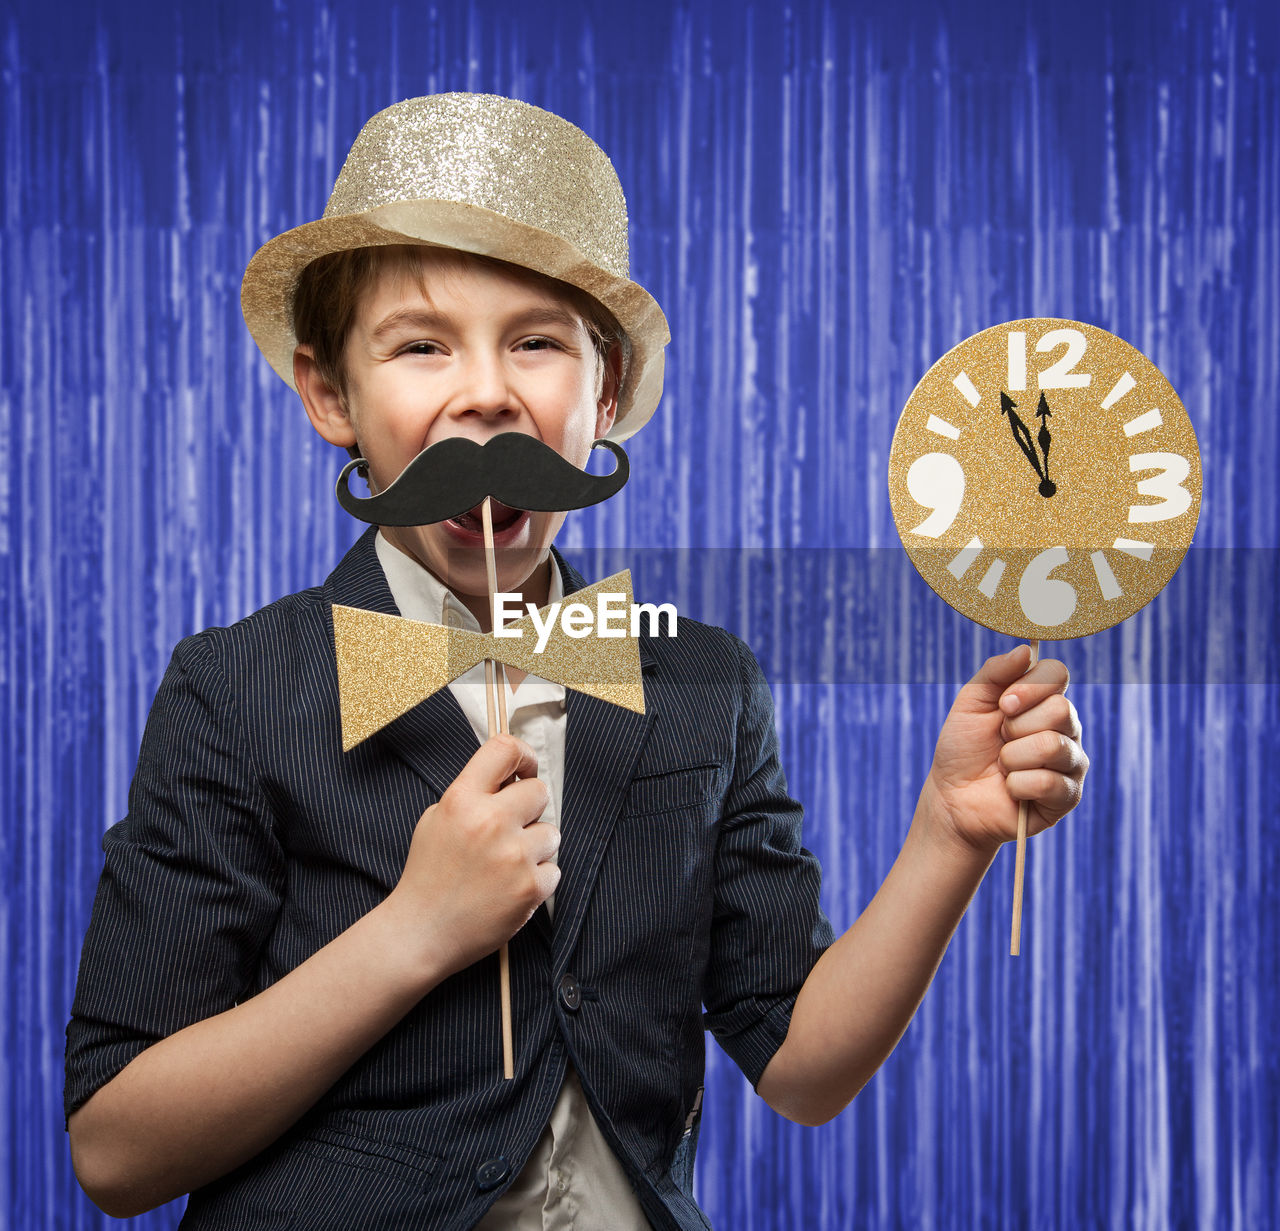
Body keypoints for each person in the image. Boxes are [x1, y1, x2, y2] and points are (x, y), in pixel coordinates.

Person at [64, 94, 1088, 1230]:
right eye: (419, 345)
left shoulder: (699, 682)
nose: (488, 391)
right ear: (329, 396)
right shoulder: (237, 690)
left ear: (601, 398)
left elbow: (802, 1066)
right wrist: (418, 929)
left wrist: (948, 832)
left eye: (537, 342)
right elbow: (116, 1149)